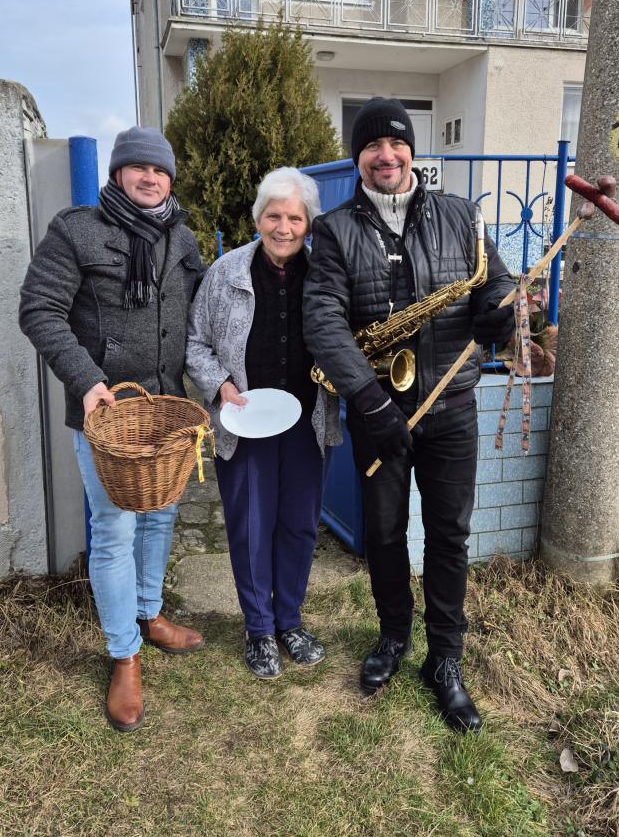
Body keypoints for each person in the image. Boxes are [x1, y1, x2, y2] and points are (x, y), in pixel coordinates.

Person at [302, 98, 515, 732]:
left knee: (449, 536)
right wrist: (369, 399)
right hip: (380, 410)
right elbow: (323, 319)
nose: (386, 155)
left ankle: (445, 660)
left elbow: (496, 281)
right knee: (384, 533)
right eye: (372, 145)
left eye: (396, 144)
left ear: (412, 153)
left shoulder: (461, 215)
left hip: (451, 408)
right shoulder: (334, 230)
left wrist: (498, 313)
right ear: (358, 157)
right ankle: (393, 636)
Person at [19, 126, 206, 732]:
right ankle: (124, 654)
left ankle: (150, 614)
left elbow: (203, 307)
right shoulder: (76, 231)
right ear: (119, 174)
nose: (150, 178)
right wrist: (85, 379)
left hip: (166, 412)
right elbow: (39, 308)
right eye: (139, 168)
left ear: (170, 179)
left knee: (161, 516)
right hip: (105, 414)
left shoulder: (182, 237)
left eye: (160, 170)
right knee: (114, 530)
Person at [185, 167, 341, 680]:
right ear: (258, 219)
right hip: (245, 421)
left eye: (295, 218)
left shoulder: (326, 274)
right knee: (251, 525)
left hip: (306, 421)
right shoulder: (225, 273)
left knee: (298, 523)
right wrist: (220, 386)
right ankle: (258, 629)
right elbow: (195, 343)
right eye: (274, 216)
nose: (284, 227)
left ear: (308, 224)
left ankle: (289, 621)